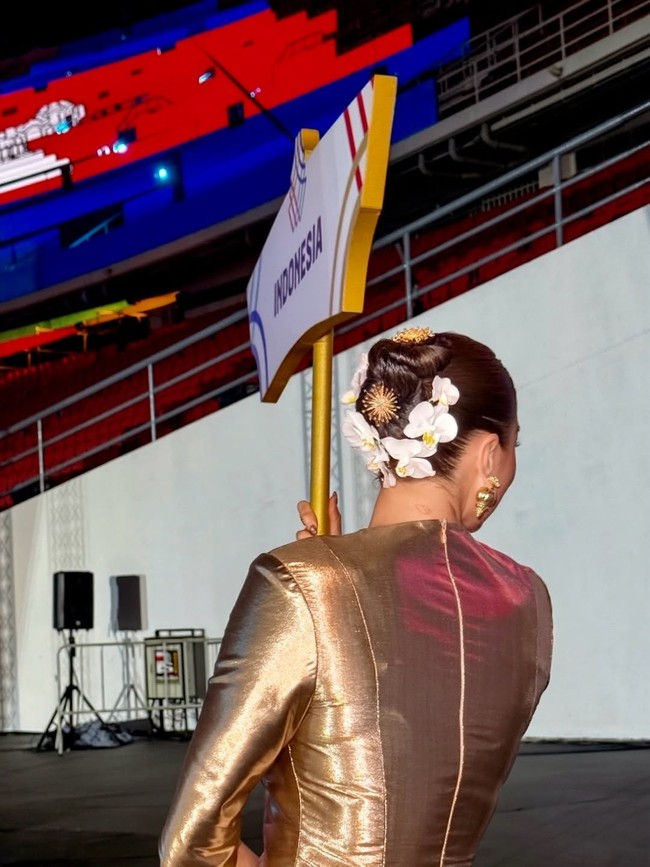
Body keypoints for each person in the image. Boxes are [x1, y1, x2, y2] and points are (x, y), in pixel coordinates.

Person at [160, 326, 552, 867]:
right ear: (488, 453)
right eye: (514, 447)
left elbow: (190, 844)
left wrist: (319, 580)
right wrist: (333, 572)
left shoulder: (302, 584)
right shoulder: (525, 599)